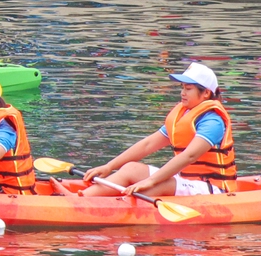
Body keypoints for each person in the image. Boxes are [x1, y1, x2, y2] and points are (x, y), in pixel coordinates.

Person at [80, 62, 236, 198]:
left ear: (206, 93)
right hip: (187, 181)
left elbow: (190, 156)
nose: (182, 93)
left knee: (156, 186)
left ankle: (101, 206)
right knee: (131, 168)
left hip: (214, 189)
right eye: (182, 87)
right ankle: (80, 198)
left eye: (188, 88)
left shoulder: (213, 121)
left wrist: (151, 180)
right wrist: (109, 166)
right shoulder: (183, 115)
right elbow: (148, 144)